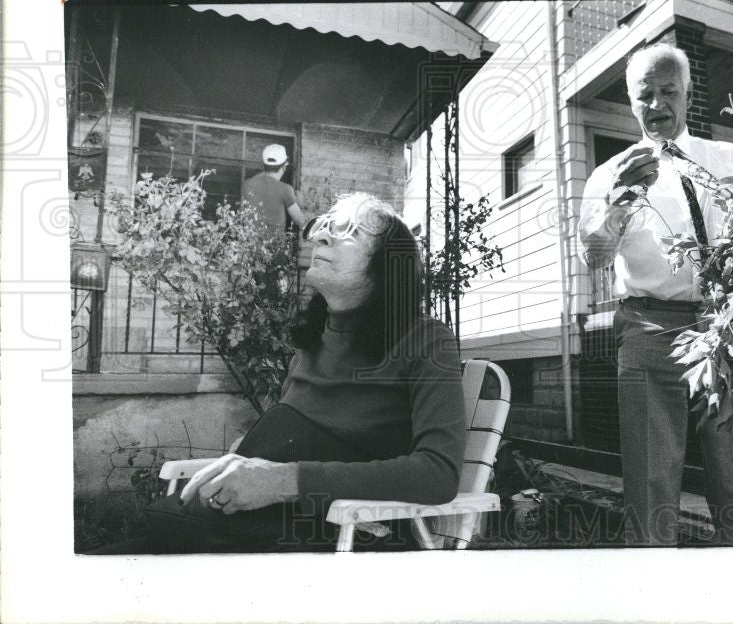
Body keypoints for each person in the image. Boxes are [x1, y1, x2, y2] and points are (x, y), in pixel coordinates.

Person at [105, 193, 465, 554]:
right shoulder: (313, 344)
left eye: (348, 232)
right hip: (241, 529)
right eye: (325, 227)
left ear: (387, 265)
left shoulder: (426, 341)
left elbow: (437, 474)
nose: (321, 237)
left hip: (332, 538)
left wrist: (280, 478)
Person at [578, 43, 733, 547]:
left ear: (687, 92)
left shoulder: (730, 160)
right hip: (648, 330)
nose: (656, 105)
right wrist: (617, 204)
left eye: (667, 91)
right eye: (644, 95)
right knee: (651, 481)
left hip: (723, 331)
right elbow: (595, 256)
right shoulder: (609, 176)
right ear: (631, 101)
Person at [241, 143, 307, 236]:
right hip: (273, 248)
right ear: (285, 165)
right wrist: (300, 205)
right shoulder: (285, 189)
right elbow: (301, 221)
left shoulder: (247, 184)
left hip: (249, 245)